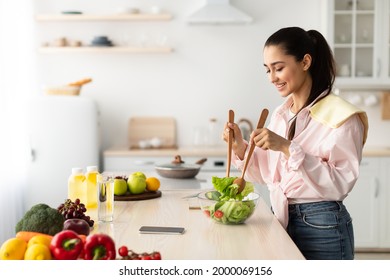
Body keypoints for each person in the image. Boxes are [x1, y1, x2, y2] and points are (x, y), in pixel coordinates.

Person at [223, 26, 368, 260]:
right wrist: (240, 146)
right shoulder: (282, 114)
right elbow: (269, 174)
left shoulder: (343, 116)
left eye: (279, 68)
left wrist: (287, 147)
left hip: (322, 225)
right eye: (267, 70)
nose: (272, 78)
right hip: (281, 217)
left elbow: (340, 184)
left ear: (305, 62)